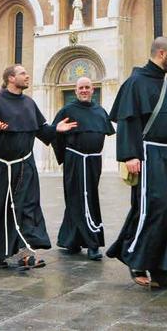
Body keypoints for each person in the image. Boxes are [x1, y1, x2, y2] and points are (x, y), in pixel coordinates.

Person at [106, 37, 167, 291]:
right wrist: (130, 155)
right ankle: (138, 258)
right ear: (161, 54)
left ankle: (160, 270)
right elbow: (128, 121)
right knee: (153, 208)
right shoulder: (135, 83)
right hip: (147, 155)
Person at [0, 65, 77, 269]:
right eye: (22, 73)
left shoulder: (29, 103)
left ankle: (26, 252)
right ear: (11, 78)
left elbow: (41, 131)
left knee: (28, 208)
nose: (27, 75)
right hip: (1, 167)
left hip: (25, 166)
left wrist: (56, 129)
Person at [52, 76, 114, 261]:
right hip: (75, 161)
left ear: (93, 90)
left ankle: (71, 240)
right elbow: (56, 134)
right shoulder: (68, 110)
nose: (84, 90)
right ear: (76, 90)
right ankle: (92, 243)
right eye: (81, 88)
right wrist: (66, 157)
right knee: (79, 198)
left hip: (94, 161)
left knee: (88, 197)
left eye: (87, 87)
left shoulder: (100, 111)